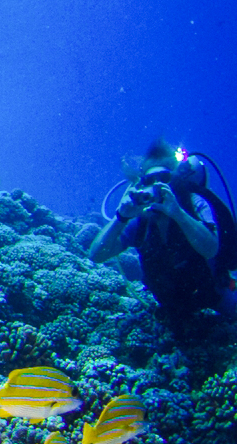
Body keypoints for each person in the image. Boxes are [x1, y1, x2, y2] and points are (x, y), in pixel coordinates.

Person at [90, 142, 237, 332]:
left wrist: (178, 214)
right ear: (142, 185)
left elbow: (211, 249)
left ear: (174, 181)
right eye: (150, 180)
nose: (157, 185)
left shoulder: (194, 204)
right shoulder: (141, 219)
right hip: (171, 308)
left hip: (216, 295)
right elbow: (96, 255)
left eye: (164, 178)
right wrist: (121, 217)